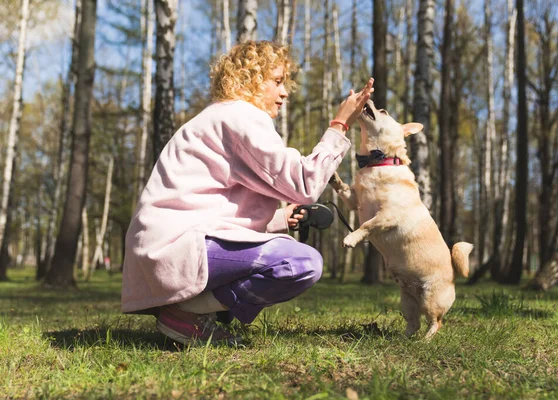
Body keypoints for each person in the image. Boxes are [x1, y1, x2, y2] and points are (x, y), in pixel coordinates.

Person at [121, 40, 373, 345]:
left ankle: (189, 311)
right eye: (277, 82)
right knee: (300, 263)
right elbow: (304, 185)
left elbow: (212, 205)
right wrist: (339, 123)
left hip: (163, 247)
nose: (284, 93)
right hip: (177, 248)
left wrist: (281, 220)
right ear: (249, 79)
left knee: (275, 258)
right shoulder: (241, 117)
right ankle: (185, 315)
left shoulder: (218, 117)